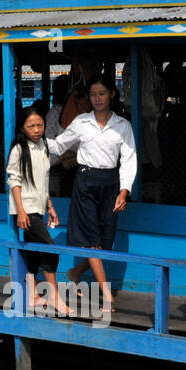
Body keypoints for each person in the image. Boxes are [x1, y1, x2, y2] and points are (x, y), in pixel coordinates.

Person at [48, 73, 137, 314]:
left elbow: (129, 160)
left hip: (111, 183)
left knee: (105, 242)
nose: (97, 99)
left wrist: (124, 191)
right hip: (86, 182)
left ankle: (75, 273)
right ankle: (106, 295)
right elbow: (59, 145)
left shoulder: (123, 126)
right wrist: (35, 140)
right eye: (93, 95)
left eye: (102, 93)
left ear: (112, 95)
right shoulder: (80, 123)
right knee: (94, 242)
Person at [7, 105, 70, 316]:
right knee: (50, 249)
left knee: (34, 252)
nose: (36, 129)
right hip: (26, 209)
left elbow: (43, 182)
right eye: (31, 126)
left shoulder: (43, 145)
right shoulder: (18, 148)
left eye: (39, 125)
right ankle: (53, 296)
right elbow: (14, 181)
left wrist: (50, 206)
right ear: (22, 128)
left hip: (39, 208)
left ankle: (32, 295)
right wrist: (21, 211)